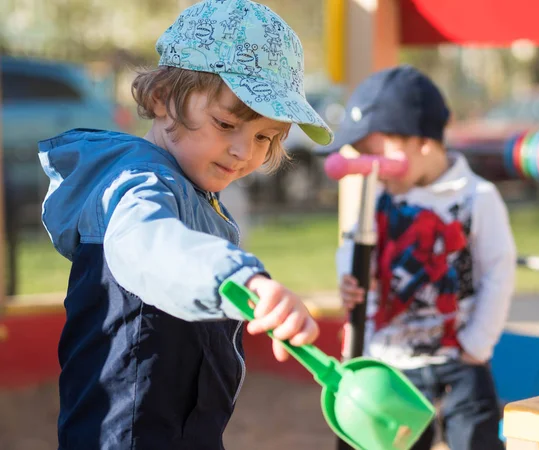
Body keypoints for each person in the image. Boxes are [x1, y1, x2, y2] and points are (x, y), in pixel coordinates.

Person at [37, 1, 333, 449]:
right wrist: (239, 280)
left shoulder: (194, 193)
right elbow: (153, 245)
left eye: (264, 138)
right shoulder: (138, 184)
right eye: (226, 122)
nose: (242, 152)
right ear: (161, 98)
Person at [324, 65, 516, 450]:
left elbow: (499, 269)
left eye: (377, 155)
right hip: (388, 362)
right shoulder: (377, 198)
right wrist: (350, 276)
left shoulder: (476, 197)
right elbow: (350, 248)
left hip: (458, 358)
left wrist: (477, 343)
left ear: (423, 142)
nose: (372, 169)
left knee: (474, 439)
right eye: (363, 158)